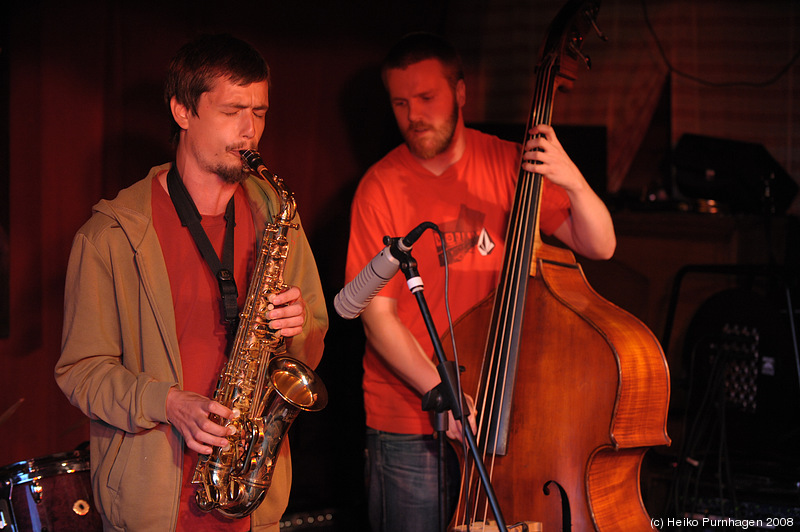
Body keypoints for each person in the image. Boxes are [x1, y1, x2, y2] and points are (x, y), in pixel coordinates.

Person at [343, 32, 616, 532]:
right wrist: (442, 391)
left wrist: (572, 179)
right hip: (410, 417)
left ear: (461, 94)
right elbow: (376, 318)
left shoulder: (512, 164)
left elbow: (599, 244)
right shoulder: (378, 187)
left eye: (427, 98)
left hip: (504, 413)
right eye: (401, 103)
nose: (414, 115)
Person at [55, 34, 327, 531]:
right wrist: (169, 403)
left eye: (260, 113)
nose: (250, 132)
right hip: (153, 506)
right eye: (232, 111)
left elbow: (311, 344)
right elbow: (80, 372)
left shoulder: (276, 216)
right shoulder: (110, 235)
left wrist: (299, 326)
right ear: (182, 111)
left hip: (251, 501)